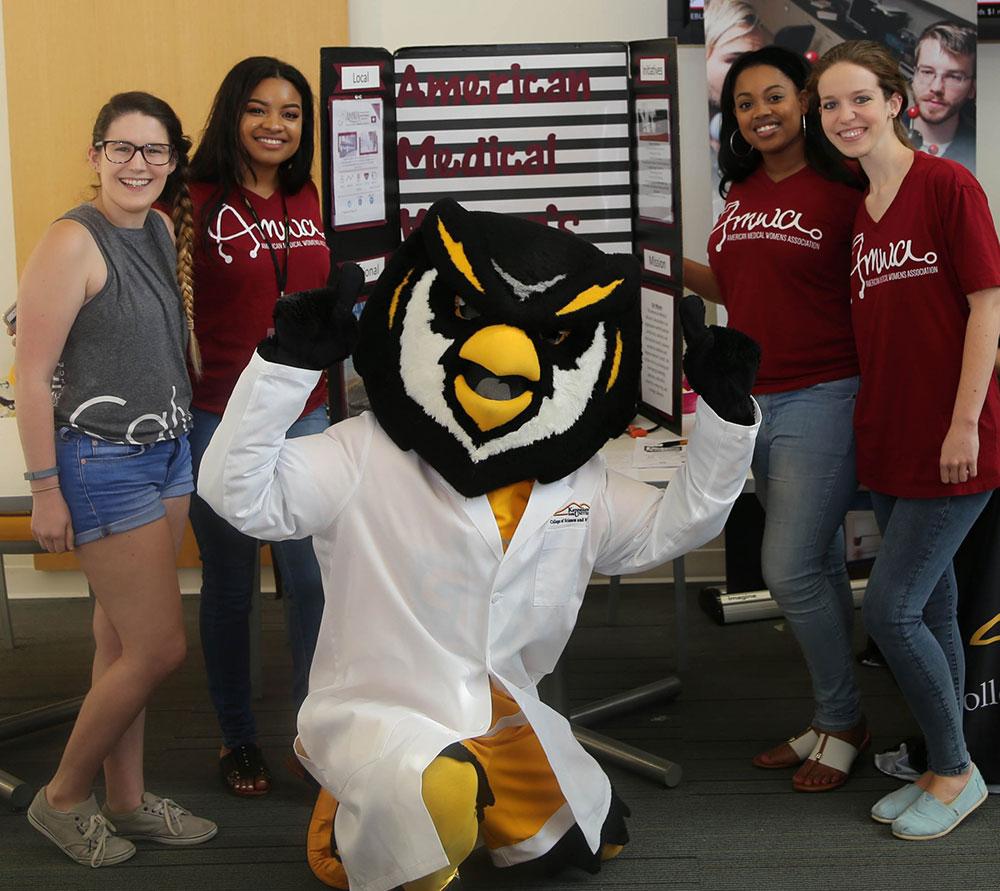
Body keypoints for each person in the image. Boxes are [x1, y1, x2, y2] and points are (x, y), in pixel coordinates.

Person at [198, 199, 761, 891]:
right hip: (388, 707)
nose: (506, 354)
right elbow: (235, 492)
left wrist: (728, 419)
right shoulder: (361, 455)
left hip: (500, 707)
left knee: (591, 840)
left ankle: (475, 791)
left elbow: (680, 522)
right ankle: (346, 813)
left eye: (548, 339)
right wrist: (284, 368)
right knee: (434, 810)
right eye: (471, 318)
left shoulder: (574, 481)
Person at [14, 92, 217, 866]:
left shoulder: (161, 229)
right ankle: (62, 796)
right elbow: (33, 379)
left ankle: (126, 801)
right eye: (123, 148)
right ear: (95, 153)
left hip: (167, 453)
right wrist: (44, 488)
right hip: (102, 463)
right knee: (159, 647)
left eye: (154, 151)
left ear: (173, 162)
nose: (138, 164)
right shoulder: (72, 241)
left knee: (119, 638)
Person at [813, 39, 1000, 840]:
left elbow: (987, 307)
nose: (845, 116)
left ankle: (956, 773)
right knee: (937, 604)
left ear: (896, 101)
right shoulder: (862, 211)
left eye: (860, 98)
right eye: (830, 105)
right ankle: (945, 760)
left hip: (954, 440)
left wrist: (963, 422)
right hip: (888, 437)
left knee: (891, 611)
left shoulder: (947, 186)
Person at [684, 46, 868, 792]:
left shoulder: (847, 188)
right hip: (757, 399)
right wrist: (648, 261)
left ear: (807, 101)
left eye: (775, 96)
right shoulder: (746, 189)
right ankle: (827, 719)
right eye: (744, 103)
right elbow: (736, 285)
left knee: (786, 566)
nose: (760, 112)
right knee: (816, 564)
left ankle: (845, 716)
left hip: (827, 392)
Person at [185, 56, 331, 797]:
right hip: (219, 416)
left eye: (291, 112)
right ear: (232, 114)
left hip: (308, 414)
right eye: (258, 109)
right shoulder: (193, 199)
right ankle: (237, 737)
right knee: (232, 584)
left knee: (312, 580)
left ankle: (314, 729)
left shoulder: (309, 196)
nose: (276, 124)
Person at [906, 21, 976, 171]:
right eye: (927, 72)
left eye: (954, 77)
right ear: (914, 76)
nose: (936, 88)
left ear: (972, 88)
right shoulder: (878, 131)